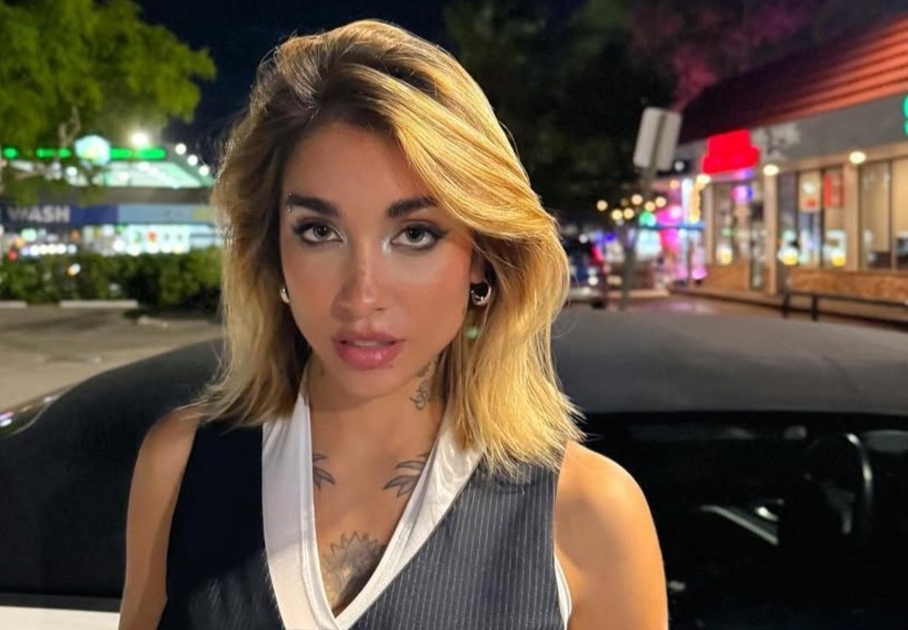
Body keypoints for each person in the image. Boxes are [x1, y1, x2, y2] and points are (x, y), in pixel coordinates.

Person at [122, 19, 667, 630]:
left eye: (415, 234)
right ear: (272, 251)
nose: (362, 295)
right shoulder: (182, 468)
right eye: (319, 231)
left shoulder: (589, 515)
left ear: (482, 256)